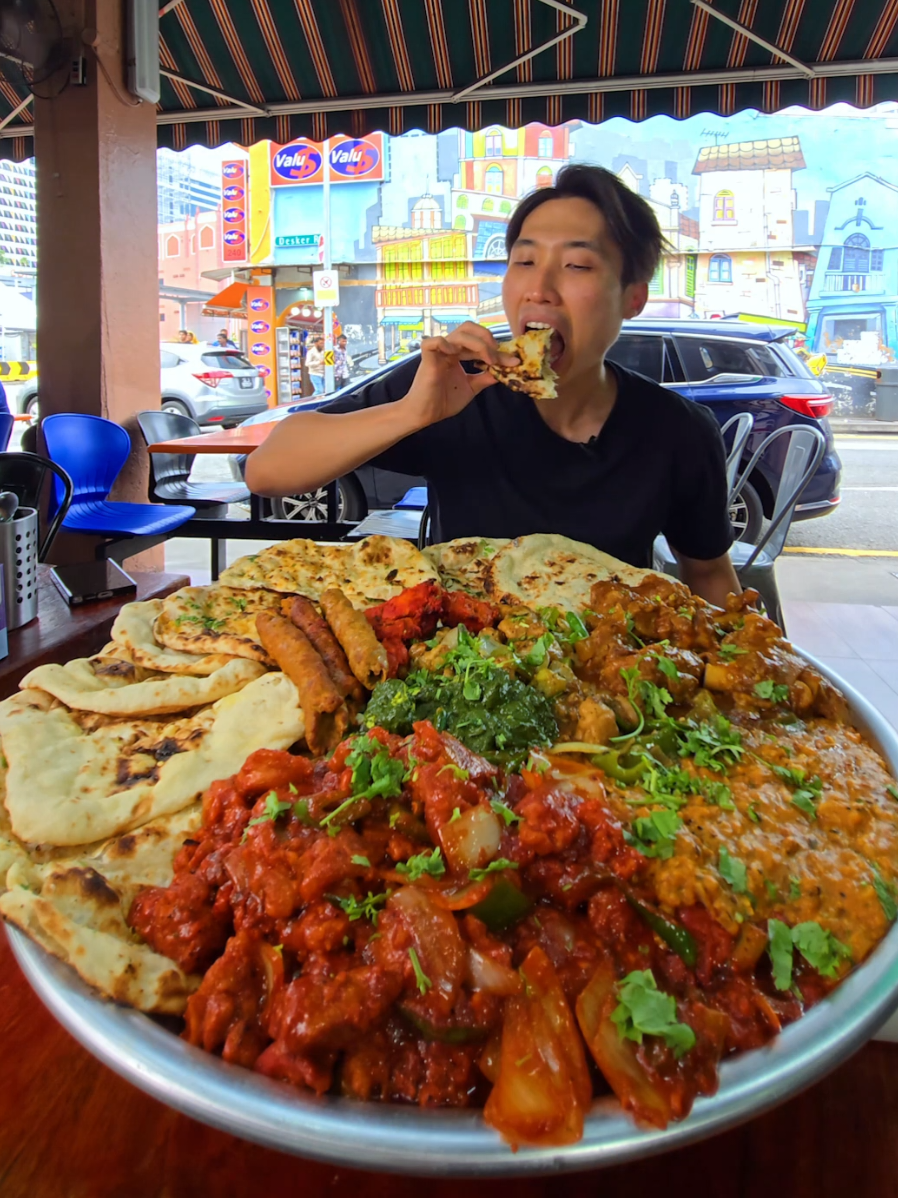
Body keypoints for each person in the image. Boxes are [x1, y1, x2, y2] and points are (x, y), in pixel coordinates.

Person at [247, 164, 740, 607]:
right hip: (461, 671)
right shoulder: (452, 386)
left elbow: (708, 572)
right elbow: (266, 471)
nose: (539, 288)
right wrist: (412, 413)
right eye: (524, 262)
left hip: (611, 673)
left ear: (632, 297)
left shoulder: (677, 430)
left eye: (577, 266)